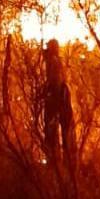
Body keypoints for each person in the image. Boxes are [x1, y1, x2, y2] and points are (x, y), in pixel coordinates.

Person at [43, 38, 76, 171]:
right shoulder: (54, 61)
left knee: (59, 135)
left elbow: (55, 82)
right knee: (62, 135)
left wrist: (54, 103)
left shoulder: (55, 62)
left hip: (59, 102)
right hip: (59, 101)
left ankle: (61, 166)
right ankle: (63, 166)